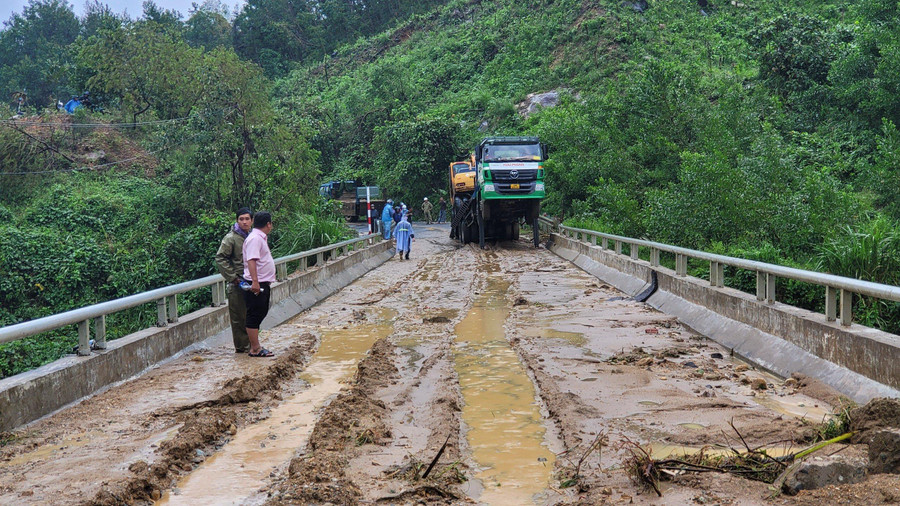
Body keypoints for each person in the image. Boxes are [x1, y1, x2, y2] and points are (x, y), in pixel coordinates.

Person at [215, 208, 254, 353]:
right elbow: (220, 258)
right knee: (238, 319)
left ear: (252, 220)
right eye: (241, 219)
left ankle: (252, 346)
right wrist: (233, 277)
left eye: (247, 219)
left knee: (250, 316)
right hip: (237, 284)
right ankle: (243, 350)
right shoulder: (231, 238)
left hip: (250, 282)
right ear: (237, 220)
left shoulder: (251, 236)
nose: (244, 222)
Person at [242, 211, 276, 357]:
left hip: (261, 281)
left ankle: (256, 346)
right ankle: (255, 348)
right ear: (268, 224)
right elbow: (251, 260)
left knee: (260, 312)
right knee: (254, 314)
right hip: (256, 283)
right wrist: (255, 281)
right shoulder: (255, 239)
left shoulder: (259, 237)